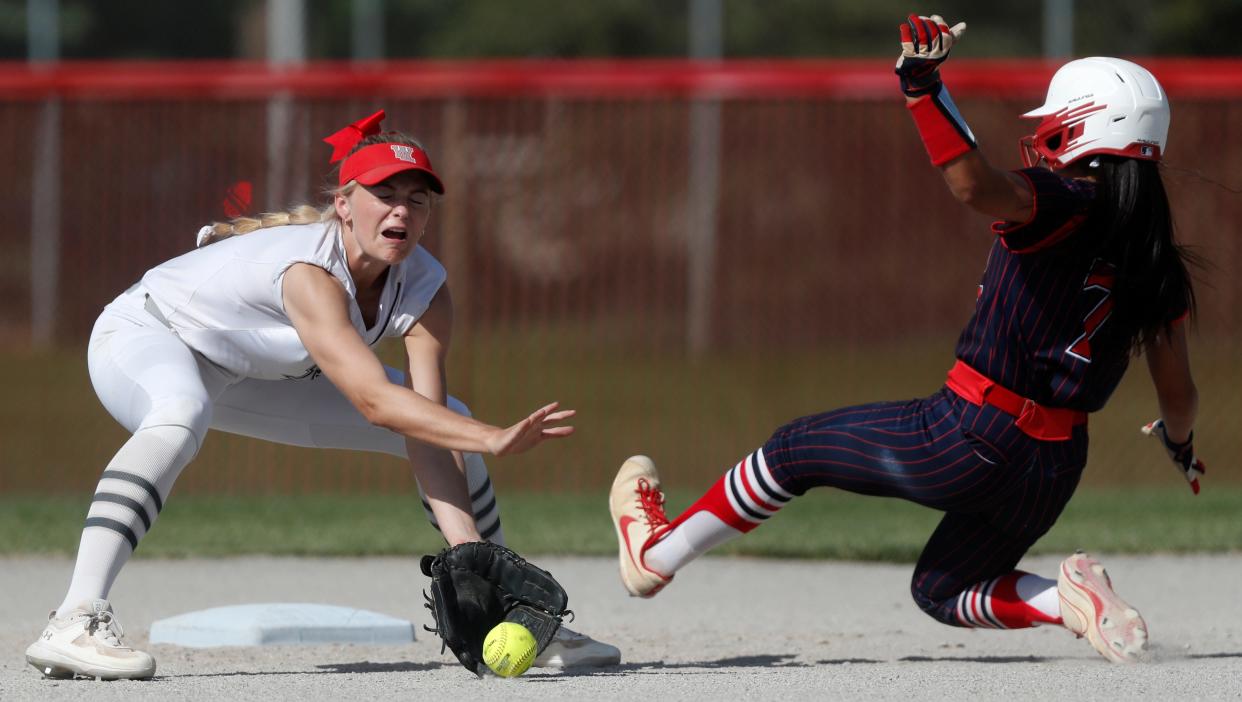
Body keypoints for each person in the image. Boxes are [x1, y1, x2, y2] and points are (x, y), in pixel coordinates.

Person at [609, 15, 1205, 664]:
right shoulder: (1159, 259)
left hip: (972, 432)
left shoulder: (1066, 198)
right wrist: (1180, 445)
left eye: (1052, 124)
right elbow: (1179, 394)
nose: (1041, 137)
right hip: (1056, 465)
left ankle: (655, 557)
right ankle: (1066, 602)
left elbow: (973, 184)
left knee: (790, 452)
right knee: (943, 589)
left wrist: (922, 85)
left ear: (1081, 126)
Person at [25, 110, 620, 680]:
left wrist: (469, 555)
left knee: (449, 421)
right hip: (148, 337)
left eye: (417, 199)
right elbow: (374, 403)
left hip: (250, 373)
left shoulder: (427, 289)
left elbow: (425, 426)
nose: (402, 211)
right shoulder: (309, 271)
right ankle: (75, 619)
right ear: (344, 206)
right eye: (385, 194)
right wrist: (493, 438)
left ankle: (511, 609)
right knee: (180, 414)